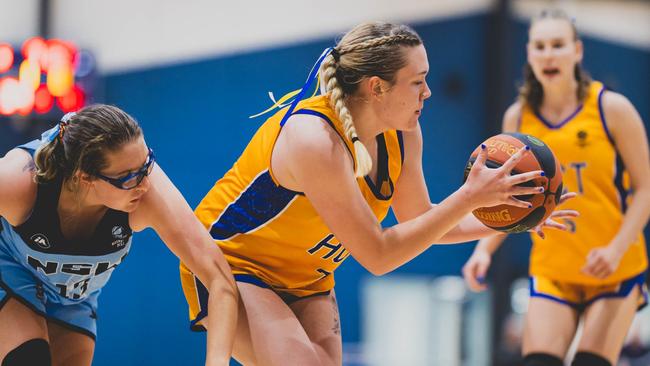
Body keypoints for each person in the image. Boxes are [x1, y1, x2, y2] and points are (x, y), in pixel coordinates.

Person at [180, 21, 573, 366]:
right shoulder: (314, 140)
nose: (429, 93)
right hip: (232, 260)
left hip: (306, 276)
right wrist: (470, 197)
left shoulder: (403, 132)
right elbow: (379, 255)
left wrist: (510, 219)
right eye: (418, 81)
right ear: (377, 88)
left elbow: (421, 222)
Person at [462, 9, 650, 366]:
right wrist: (483, 251)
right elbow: (507, 197)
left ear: (577, 51)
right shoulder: (517, 118)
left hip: (614, 268)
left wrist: (614, 249)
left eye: (558, 45)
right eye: (541, 46)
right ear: (529, 53)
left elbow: (645, 190)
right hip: (553, 269)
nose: (549, 54)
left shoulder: (611, 109)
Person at [0, 105, 238, 366]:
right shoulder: (19, 182)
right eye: (128, 178)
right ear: (85, 177)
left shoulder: (148, 195)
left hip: (73, 298)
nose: (145, 184)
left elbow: (219, 278)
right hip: (10, 269)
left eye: (146, 164)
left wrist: (217, 361)